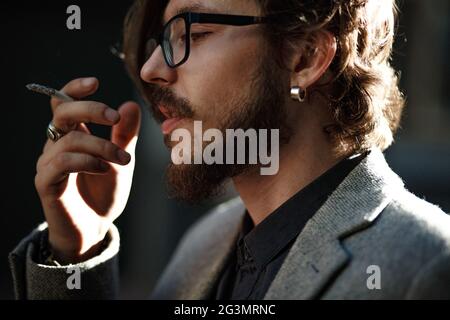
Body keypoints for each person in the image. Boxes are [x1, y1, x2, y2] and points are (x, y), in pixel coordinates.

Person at [10, 0, 450, 299]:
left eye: (194, 33)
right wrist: (79, 251)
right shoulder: (201, 247)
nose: (151, 70)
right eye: (159, 41)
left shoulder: (427, 263)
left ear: (306, 56)